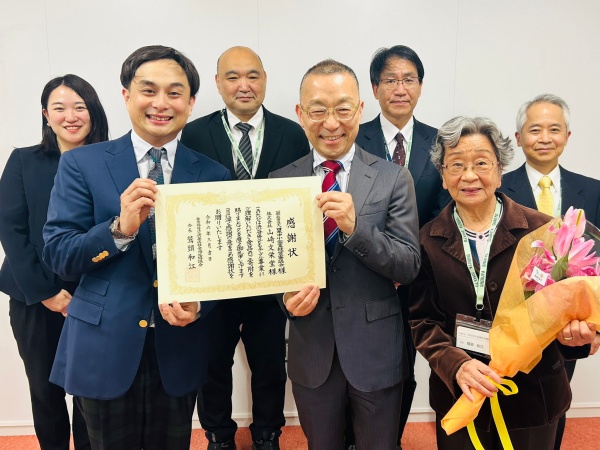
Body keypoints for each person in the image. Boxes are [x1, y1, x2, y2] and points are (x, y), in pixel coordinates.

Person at [42, 46, 231, 450]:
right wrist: (118, 229)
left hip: (178, 345)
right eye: (148, 90)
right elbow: (59, 254)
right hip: (103, 343)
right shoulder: (82, 164)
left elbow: (224, 267)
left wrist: (200, 305)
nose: (161, 103)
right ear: (127, 95)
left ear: (191, 102)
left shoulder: (213, 174)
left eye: (175, 92)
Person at [409, 116, 595, 449]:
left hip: (534, 395)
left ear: (499, 169)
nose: (469, 175)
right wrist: (456, 365)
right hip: (461, 393)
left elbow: (566, 315)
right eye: (456, 164)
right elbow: (423, 321)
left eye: (481, 162)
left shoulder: (544, 231)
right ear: (443, 175)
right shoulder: (426, 241)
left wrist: (578, 337)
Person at [269, 59, 421, 450]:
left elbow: (408, 263)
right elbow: (270, 270)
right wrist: (286, 301)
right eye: (318, 110)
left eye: (342, 108)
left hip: (375, 349)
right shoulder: (279, 182)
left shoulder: (392, 178)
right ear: (301, 114)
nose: (331, 122)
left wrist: (357, 229)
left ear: (360, 110)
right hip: (311, 351)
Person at [180, 46, 309, 450]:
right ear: (218, 83)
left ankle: (267, 434)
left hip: (271, 275)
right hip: (215, 278)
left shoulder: (291, 133)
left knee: (269, 363)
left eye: (252, 76)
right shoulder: (196, 132)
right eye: (232, 77)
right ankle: (218, 435)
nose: (243, 85)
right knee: (213, 363)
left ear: (265, 79)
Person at [350, 44, 451, 450]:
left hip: (420, 278)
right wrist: (382, 262)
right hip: (366, 276)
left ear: (421, 87)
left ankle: (387, 438)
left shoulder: (440, 141)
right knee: (359, 366)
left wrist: (408, 264)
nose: (400, 88)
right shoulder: (355, 136)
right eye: (390, 80)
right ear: (375, 88)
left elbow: (445, 213)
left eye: (409, 79)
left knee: (404, 370)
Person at [0, 74, 108, 450]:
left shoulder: (110, 162)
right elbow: (12, 231)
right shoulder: (23, 161)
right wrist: (48, 292)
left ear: (93, 111)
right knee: (45, 391)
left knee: (88, 392)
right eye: (59, 108)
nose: (70, 116)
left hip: (93, 296)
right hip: (34, 297)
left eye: (80, 107)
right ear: (46, 115)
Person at [498, 93, 600, 448]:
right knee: (506, 407)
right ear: (518, 137)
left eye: (554, 129)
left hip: (566, 328)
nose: (544, 138)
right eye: (535, 129)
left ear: (567, 137)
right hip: (510, 320)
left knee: (554, 406)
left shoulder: (594, 190)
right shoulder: (497, 188)